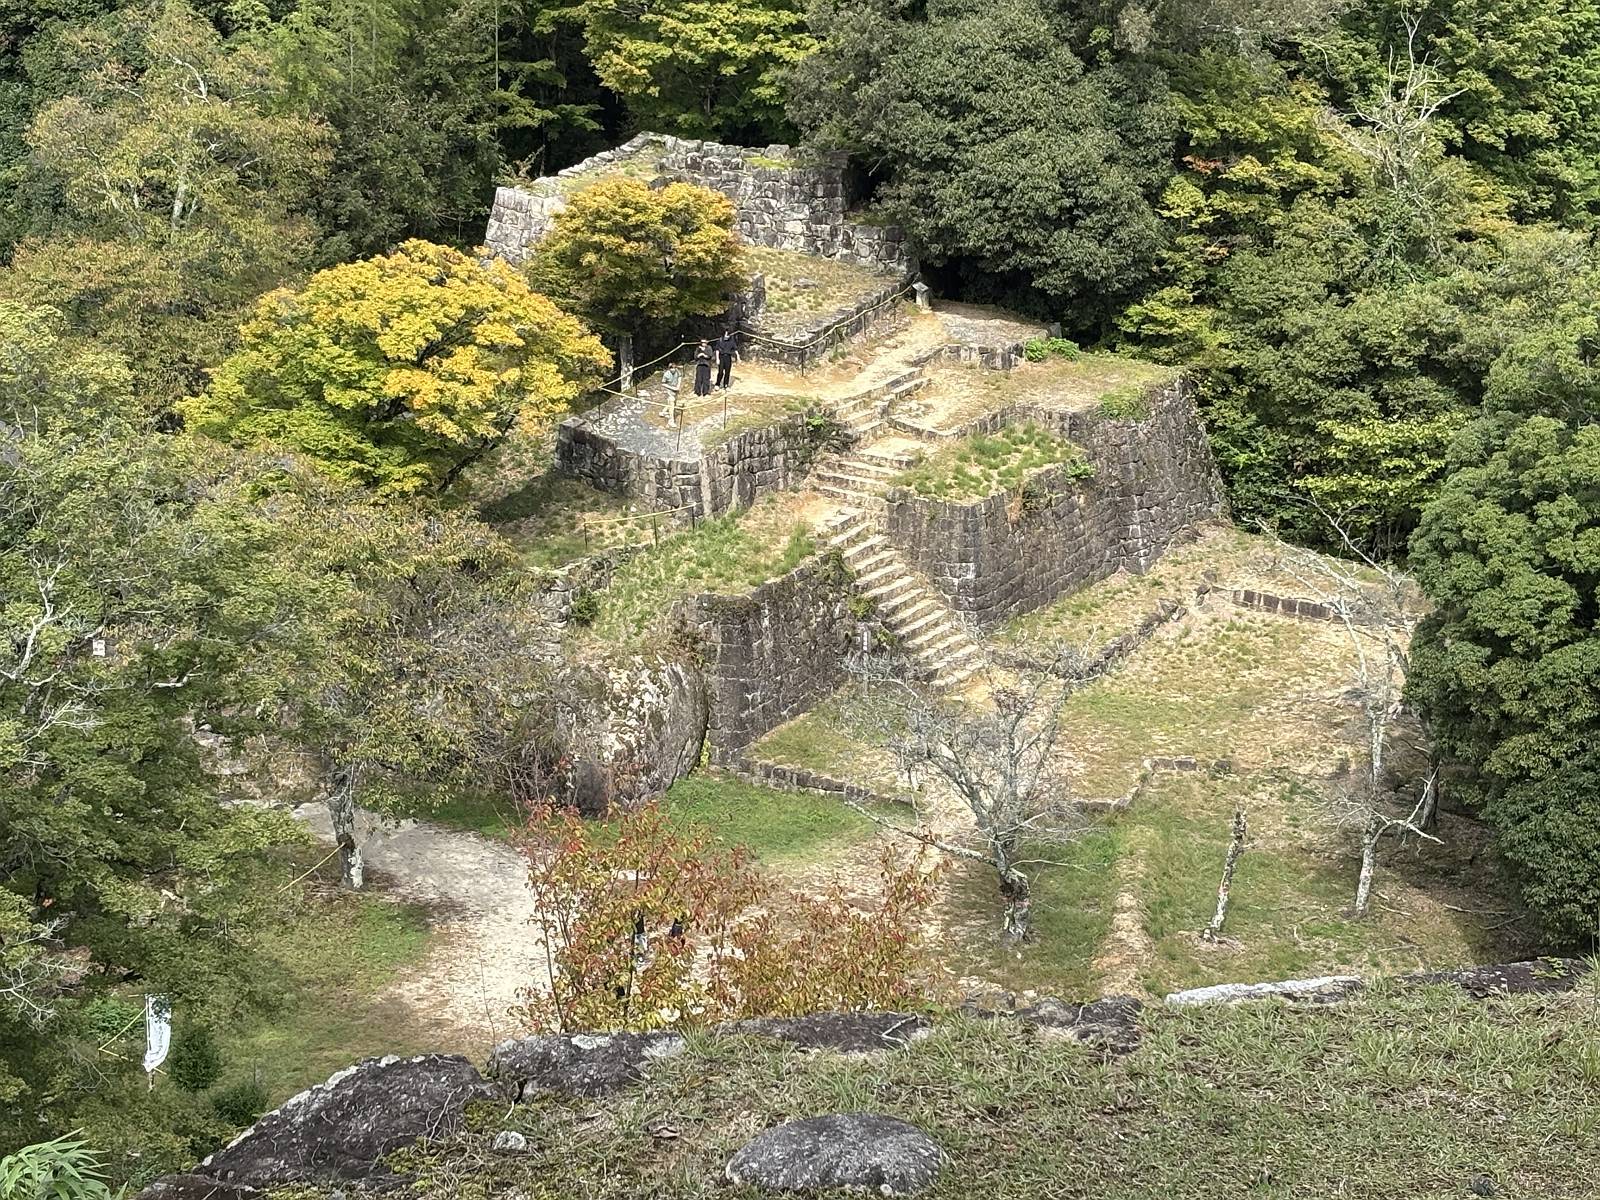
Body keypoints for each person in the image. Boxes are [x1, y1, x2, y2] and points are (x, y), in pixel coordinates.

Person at [660, 363, 683, 427]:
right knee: (672, 404)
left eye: (674, 368)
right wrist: (672, 388)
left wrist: (678, 386)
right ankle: (671, 421)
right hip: (669, 391)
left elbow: (680, 377)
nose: (673, 370)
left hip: (675, 390)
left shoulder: (677, 371)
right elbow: (663, 383)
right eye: (672, 368)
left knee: (673, 403)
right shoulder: (666, 374)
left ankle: (663, 412)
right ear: (669, 368)